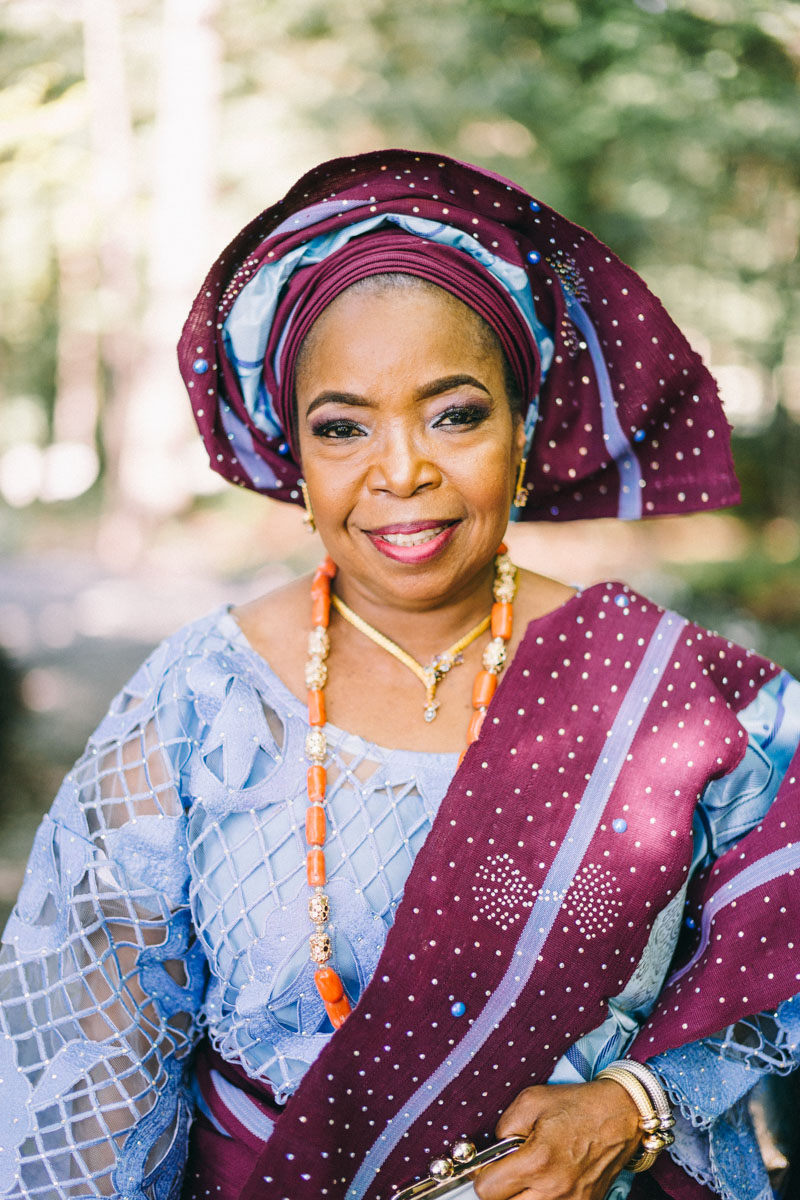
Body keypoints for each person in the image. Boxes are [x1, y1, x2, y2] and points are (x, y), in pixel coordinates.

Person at [1, 148, 799, 1200]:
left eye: (453, 412)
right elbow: (93, 1060)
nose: (400, 469)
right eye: (342, 426)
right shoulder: (199, 700)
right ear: (293, 456)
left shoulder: (669, 689)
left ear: (522, 428)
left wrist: (634, 1103)